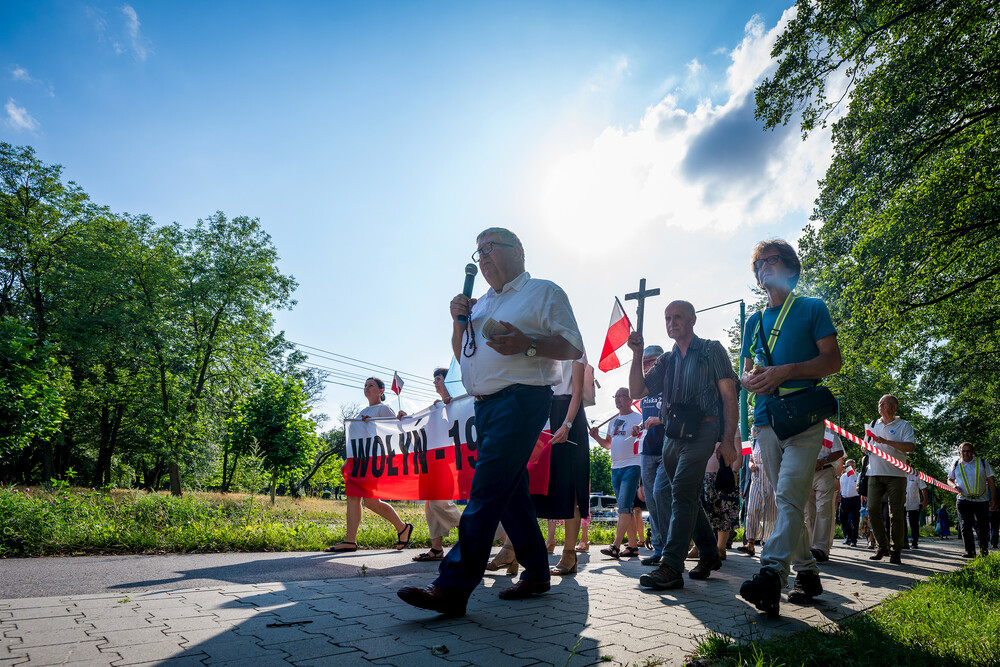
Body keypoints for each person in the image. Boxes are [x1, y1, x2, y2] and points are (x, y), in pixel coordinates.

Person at [397, 227, 584, 616]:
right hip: (485, 405)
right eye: (478, 250)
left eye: (490, 248)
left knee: (484, 490)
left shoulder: (544, 292)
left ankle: (452, 586)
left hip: (523, 398)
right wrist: (458, 320)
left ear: (518, 252)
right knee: (509, 492)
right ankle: (536, 571)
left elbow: (572, 346)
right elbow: (463, 353)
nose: (482, 257)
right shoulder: (481, 304)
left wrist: (527, 344)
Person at [738, 239, 842, 616]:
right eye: (759, 262)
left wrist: (787, 371)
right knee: (790, 500)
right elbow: (745, 372)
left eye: (772, 259)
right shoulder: (752, 322)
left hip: (805, 417)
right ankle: (809, 574)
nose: (765, 266)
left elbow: (832, 360)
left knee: (788, 495)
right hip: (766, 420)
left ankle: (771, 573)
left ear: (790, 267)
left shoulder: (812, 308)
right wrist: (750, 381)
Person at [627, 300, 740, 591]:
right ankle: (709, 552)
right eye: (667, 318)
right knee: (680, 493)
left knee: (681, 492)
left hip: (704, 427)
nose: (671, 322)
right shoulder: (666, 359)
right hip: (673, 433)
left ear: (692, 320)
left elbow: (729, 396)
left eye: (678, 317)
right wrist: (637, 353)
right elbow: (638, 391)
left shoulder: (711, 349)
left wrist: (727, 440)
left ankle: (671, 566)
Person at [327, 377, 414, 553]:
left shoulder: (383, 408)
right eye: (365, 385)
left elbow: (395, 430)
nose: (366, 388)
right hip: (359, 460)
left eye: (371, 385)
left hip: (374, 461)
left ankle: (402, 527)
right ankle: (350, 541)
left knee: (370, 502)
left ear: (381, 391)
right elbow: (357, 440)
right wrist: (347, 461)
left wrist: (380, 422)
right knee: (355, 497)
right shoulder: (363, 411)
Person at [533, 355, 590, 575]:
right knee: (534, 483)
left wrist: (567, 424)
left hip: (568, 414)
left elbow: (577, 391)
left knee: (570, 487)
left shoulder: (574, 347)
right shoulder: (540, 343)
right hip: (544, 412)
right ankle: (511, 550)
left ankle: (569, 554)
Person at [412, 368, 462, 562]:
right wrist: (403, 417)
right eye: (434, 379)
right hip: (432, 464)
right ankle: (436, 549)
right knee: (430, 505)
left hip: (448, 464)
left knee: (438, 503)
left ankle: (480, 531)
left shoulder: (459, 403)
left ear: (449, 381)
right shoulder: (436, 407)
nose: (435, 382)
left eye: (439, 379)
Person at [589, 388, 643, 559]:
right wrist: (596, 436)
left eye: (622, 396)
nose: (618, 399)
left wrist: (639, 430)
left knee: (625, 506)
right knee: (626, 509)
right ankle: (633, 547)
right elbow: (607, 445)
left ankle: (616, 546)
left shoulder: (638, 418)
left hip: (632, 465)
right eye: (616, 396)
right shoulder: (613, 421)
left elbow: (644, 439)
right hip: (615, 467)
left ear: (630, 400)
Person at [865, 395, 916, 564]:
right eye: (879, 402)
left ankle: (896, 551)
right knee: (872, 509)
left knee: (896, 513)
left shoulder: (904, 425)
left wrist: (886, 441)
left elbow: (910, 447)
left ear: (894, 407)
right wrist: (864, 448)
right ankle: (882, 546)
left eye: (884, 403)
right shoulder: (873, 424)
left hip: (896, 475)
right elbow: (865, 448)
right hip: (874, 473)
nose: (880, 405)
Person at [632, 345, 670, 566]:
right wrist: (638, 426)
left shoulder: (670, 384)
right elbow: (647, 416)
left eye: (652, 361)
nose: (648, 366)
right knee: (653, 502)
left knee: (664, 497)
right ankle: (658, 548)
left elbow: (680, 413)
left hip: (669, 447)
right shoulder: (645, 390)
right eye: (644, 362)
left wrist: (662, 420)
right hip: (648, 450)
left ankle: (672, 548)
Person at [948, 442, 998, 558]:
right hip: (963, 500)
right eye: (963, 451)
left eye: (968, 451)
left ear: (973, 452)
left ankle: (984, 550)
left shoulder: (983, 463)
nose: (966, 453)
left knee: (983, 526)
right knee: (965, 525)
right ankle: (969, 551)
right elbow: (950, 479)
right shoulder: (955, 464)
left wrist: (994, 498)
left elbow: (991, 481)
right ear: (959, 453)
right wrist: (953, 486)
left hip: (981, 500)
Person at [805, 427, 844, 562]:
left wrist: (823, 460)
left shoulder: (828, 431)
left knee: (823, 510)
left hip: (825, 472)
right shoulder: (800, 430)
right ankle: (808, 547)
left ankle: (820, 549)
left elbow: (839, 452)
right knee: (808, 513)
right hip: (806, 474)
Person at [701, 433, 742, 561]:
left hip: (725, 474)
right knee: (704, 512)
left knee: (725, 512)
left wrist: (734, 472)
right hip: (704, 474)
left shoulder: (732, 427)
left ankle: (721, 547)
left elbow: (738, 451)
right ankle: (700, 546)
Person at [739, 428, 776, 557]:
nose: (754, 431)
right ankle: (750, 542)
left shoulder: (775, 439)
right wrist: (751, 466)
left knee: (770, 512)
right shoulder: (753, 443)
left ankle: (769, 542)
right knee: (751, 510)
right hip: (756, 479)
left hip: (771, 479)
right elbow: (750, 460)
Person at [838, 458, 861, 547]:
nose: (849, 467)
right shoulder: (843, 477)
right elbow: (840, 488)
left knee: (854, 520)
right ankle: (848, 536)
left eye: (851, 465)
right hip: (844, 500)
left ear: (854, 466)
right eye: (847, 466)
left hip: (855, 500)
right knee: (842, 519)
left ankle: (853, 540)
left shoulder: (857, 475)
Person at [903, 473, 928, 550]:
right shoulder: (898, 474)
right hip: (901, 504)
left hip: (914, 504)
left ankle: (914, 542)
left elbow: (924, 489)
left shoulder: (916, 475)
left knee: (914, 524)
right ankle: (904, 543)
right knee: (902, 524)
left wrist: (925, 501)